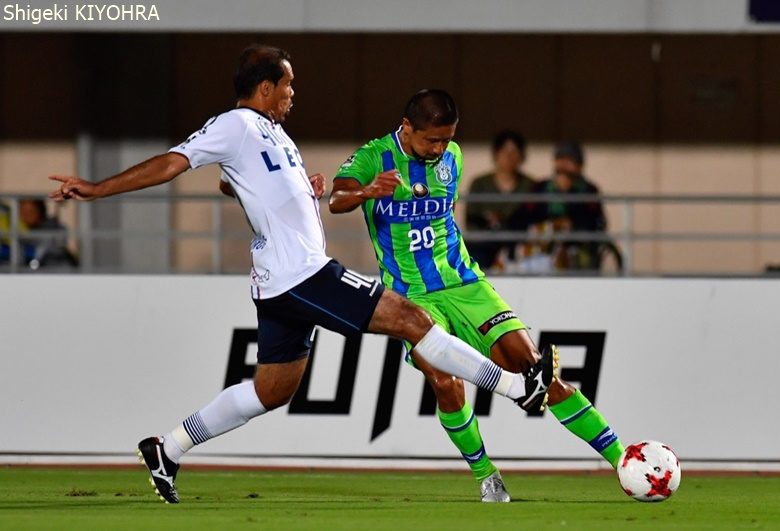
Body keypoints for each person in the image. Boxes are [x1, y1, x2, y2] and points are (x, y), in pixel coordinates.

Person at [48, 46, 552, 505]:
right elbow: (172, 163)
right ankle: (515, 387)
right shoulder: (237, 124)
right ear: (264, 88)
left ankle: (168, 447)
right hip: (303, 275)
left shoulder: (271, 134)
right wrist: (95, 189)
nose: (293, 94)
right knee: (413, 319)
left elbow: (237, 186)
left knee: (272, 390)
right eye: (287, 85)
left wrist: (301, 189)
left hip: (279, 283)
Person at [330, 90, 625, 502]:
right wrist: (367, 192)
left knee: (536, 372)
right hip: (414, 298)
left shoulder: (452, 157)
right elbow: (336, 198)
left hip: (468, 285)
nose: (439, 148)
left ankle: (623, 460)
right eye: (431, 140)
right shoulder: (373, 156)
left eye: (446, 139)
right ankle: (486, 474)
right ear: (407, 126)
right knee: (444, 380)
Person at [510, 141, 607, 270]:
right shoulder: (541, 187)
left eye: (569, 160)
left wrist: (567, 193)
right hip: (541, 245)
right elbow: (523, 215)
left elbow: (594, 222)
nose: (564, 165)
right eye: (560, 159)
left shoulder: (588, 190)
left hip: (573, 246)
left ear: (579, 166)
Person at [465, 130, 537, 268]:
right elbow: (471, 220)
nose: (509, 157)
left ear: (521, 156)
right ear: (496, 154)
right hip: (484, 245)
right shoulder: (480, 184)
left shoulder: (530, 185)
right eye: (505, 152)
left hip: (518, 246)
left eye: (514, 152)